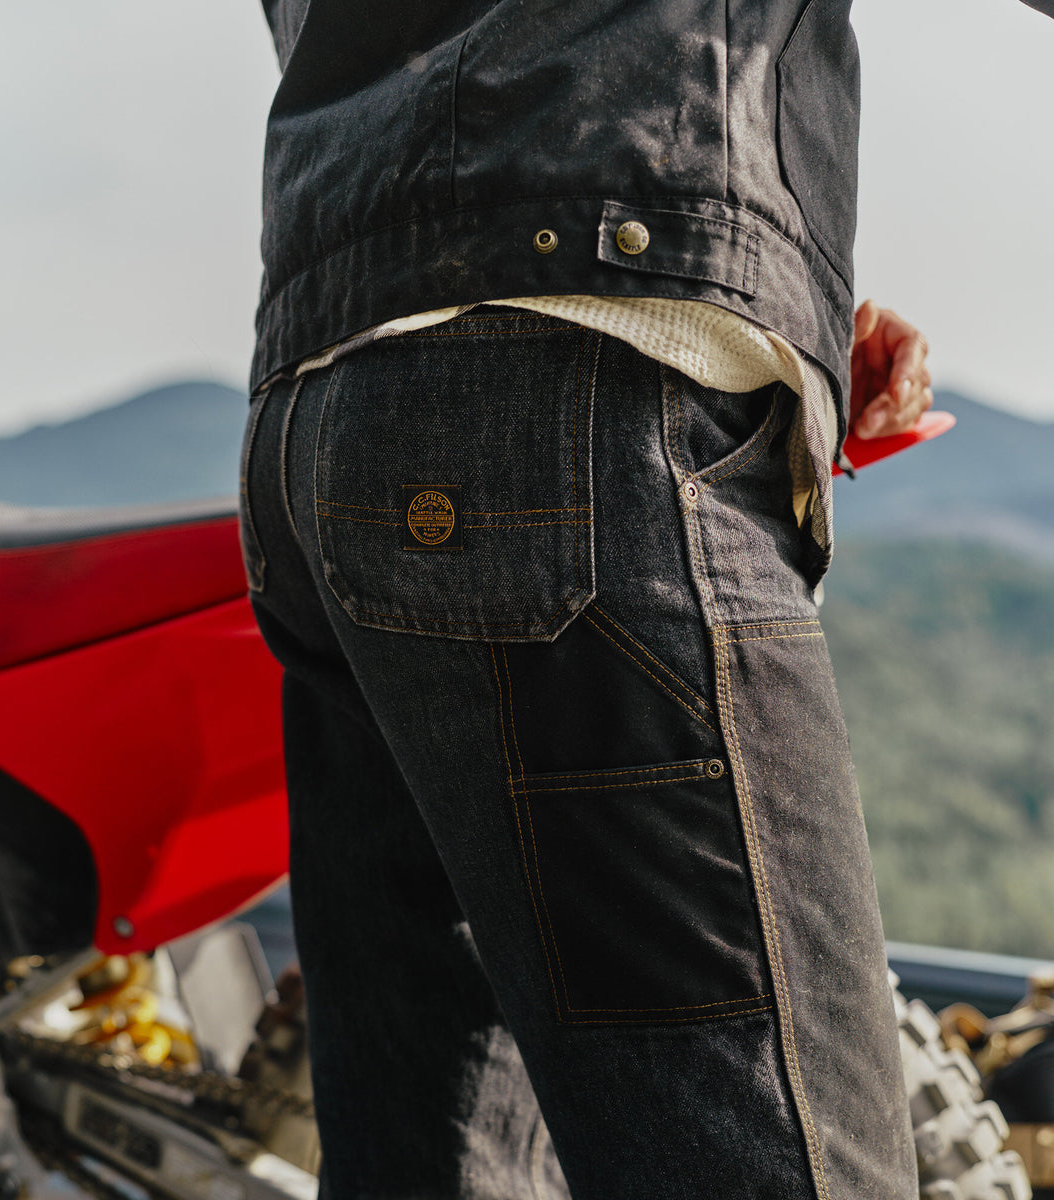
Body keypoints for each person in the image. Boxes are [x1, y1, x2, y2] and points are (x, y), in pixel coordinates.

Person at [237, 3, 951, 1197]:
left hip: (325, 403)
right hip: (576, 405)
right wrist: (717, 253)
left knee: (433, 1165)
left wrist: (777, 284)